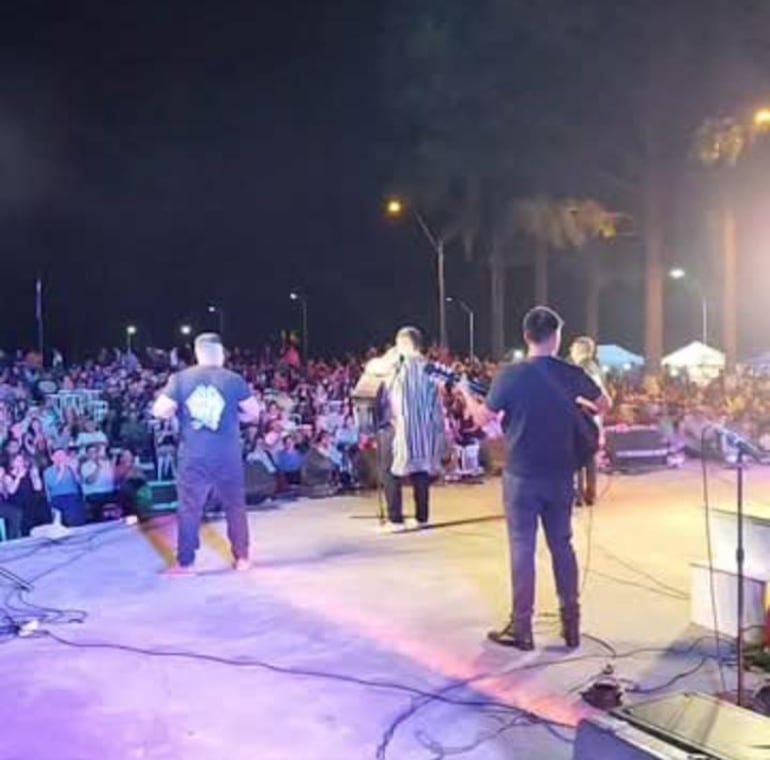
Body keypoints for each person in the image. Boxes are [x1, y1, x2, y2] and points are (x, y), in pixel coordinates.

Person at [461, 306, 609, 650]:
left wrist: (466, 395)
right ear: (556, 337)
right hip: (560, 475)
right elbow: (604, 403)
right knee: (562, 545)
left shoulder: (509, 375)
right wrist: (576, 408)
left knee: (522, 548)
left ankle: (522, 628)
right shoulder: (569, 372)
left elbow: (483, 419)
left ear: (526, 336)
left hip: (521, 475)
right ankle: (571, 625)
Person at [152, 333, 261, 575]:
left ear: (198, 353)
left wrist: (179, 413)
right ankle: (242, 558)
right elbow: (254, 413)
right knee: (235, 506)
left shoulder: (180, 379)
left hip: (194, 455)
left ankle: (186, 562)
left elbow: (159, 411)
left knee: (189, 508)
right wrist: (236, 417)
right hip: (227, 454)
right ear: (220, 353)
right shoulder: (233, 379)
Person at [365, 326, 445, 531]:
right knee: (420, 472)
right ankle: (422, 517)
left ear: (404, 344)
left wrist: (391, 354)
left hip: (399, 427)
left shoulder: (396, 366)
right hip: (424, 430)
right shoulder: (430, 367)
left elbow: (371, 367)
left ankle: (395, 519)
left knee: (389, 471)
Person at [569, 336, 608, 506]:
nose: (571, 351)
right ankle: (590, 493)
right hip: (594, 416)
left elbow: (577, 393)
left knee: (577, 455)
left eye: (573, 348)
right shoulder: (596, 368)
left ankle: (578, 495)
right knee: (590, 455)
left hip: (581, 415)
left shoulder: (579, 369)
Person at [44, 447, 87, 527]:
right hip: (57, 499)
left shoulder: (71, 468)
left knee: (75, 522)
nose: (61, 458)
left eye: (63, 456)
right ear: (52, 458)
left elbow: (80, 481)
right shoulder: (48, 471)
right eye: (58, 456)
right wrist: (61, 470)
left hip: (72, 497)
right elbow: (53, 484)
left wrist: (74, 470)